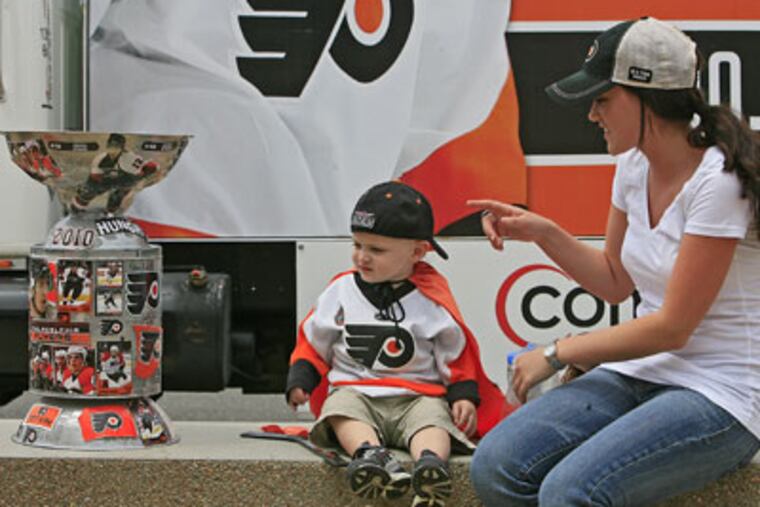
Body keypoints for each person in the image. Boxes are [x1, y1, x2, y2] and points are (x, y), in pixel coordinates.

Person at [467, 17, 760, 506]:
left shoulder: (719, 182)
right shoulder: (633, 163)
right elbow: (614, 280)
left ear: (646, 97)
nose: (591, 114)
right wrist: (542, 231)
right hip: (642, 373)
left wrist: (562, 351)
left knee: (571, 492)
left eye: (602, 99)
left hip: (722, 395)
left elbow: (672, 328)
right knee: (495, 468)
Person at [286, 181, 509, 506]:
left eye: (376, 250)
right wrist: (301, 379)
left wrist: (464, 395)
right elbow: (314, 340)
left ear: (417, 252)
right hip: (357, 390)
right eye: (357, 245)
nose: (362, 257)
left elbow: (454, 352)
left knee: (434, 419)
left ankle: (430, 464)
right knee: (341, 411)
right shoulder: (341, 290)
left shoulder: (430, 297)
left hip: (417, 395)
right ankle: (369, 455)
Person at [73, 133, 159, 213]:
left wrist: (147, 171)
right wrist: (90, 190)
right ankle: (77, 208)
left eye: (116, 146)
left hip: (125, 179)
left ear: (122, 148)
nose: (113, 149)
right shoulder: (99, 160)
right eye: (111, 145)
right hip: (106, 179)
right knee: (89, 190)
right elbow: (93, 180)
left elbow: (149, 167)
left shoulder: (129, 159)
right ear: (107, 145)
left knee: (119, 194)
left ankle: (112, 210)